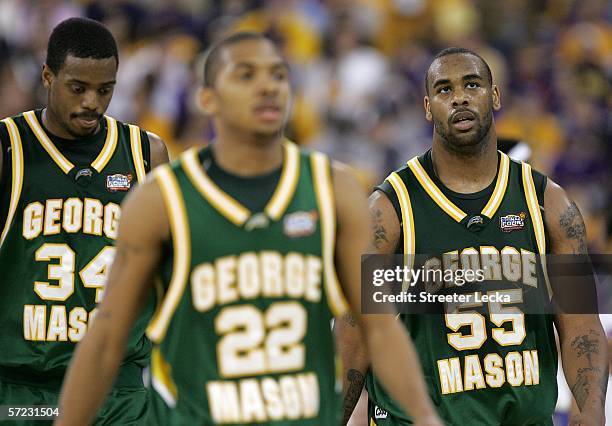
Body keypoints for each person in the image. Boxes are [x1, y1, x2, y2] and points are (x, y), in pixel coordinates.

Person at [55, 32, 442, 426]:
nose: (267, 87)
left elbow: (376, 325)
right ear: (207, 98)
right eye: (245, 75)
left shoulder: (337, 190)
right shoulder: (161, 200)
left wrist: (426, 418)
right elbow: (105, 339)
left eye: (277, 75)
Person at [337, 47, 608, 425]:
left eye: (473, 84)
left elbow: (581, 324)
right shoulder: (391, 209)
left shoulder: (548, 203)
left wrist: (590, 412)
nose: (460, 96)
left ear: (494, 96)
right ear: (428, 107)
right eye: (444, 89)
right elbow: (354, 335)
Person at [0, 17, 168, 424]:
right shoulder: (9, 149)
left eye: (105, 89)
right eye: (79, 88)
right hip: (25, 386)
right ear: (47, 77)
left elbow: (171, 271)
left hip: (119, 388)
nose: (92, 101)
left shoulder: (147, 153)